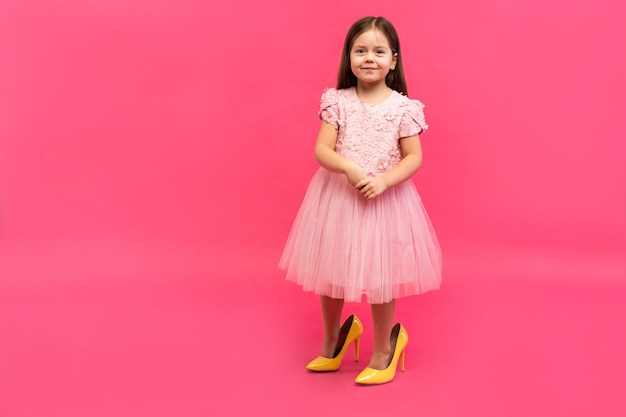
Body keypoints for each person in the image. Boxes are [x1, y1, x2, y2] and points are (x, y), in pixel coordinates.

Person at [279, 16, 442, 385]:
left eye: (379, 51)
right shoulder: (337, 101)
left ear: (394, 60)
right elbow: (322, 149)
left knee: (380, 273)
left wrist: (384, 182)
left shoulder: (403, 107)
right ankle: (332, 341)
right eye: (361, 50)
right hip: (338, 196)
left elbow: (413, 157)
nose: (370, 58)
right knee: (329, 270)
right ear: (349, 57)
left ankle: (384, 347)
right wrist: (350, 170)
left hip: (384, 200)